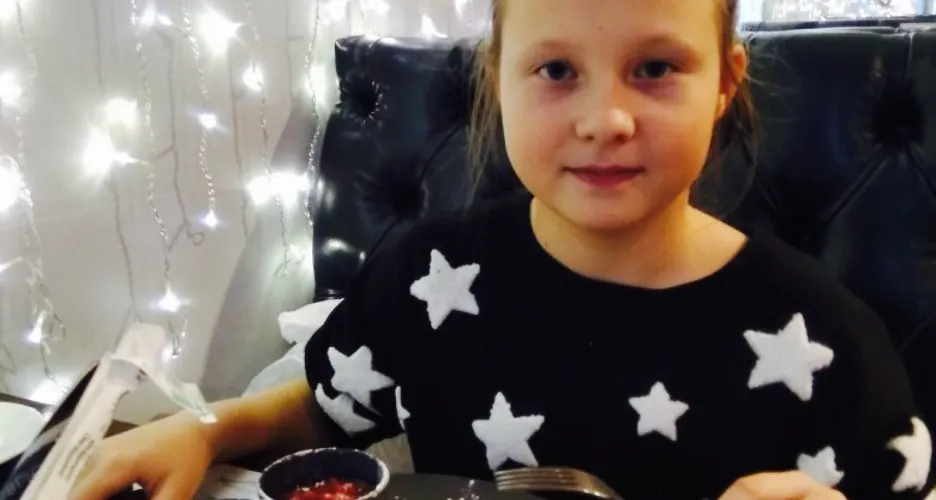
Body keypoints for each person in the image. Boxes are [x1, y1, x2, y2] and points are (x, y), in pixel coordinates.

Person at [70, 0, 933, 499]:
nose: (605, 120)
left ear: (723, 85)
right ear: (498, 80)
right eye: (557, 70)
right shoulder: (429, 277)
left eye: (655, 68)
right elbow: (330, 405)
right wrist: (207, 428)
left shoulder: (826, 345)